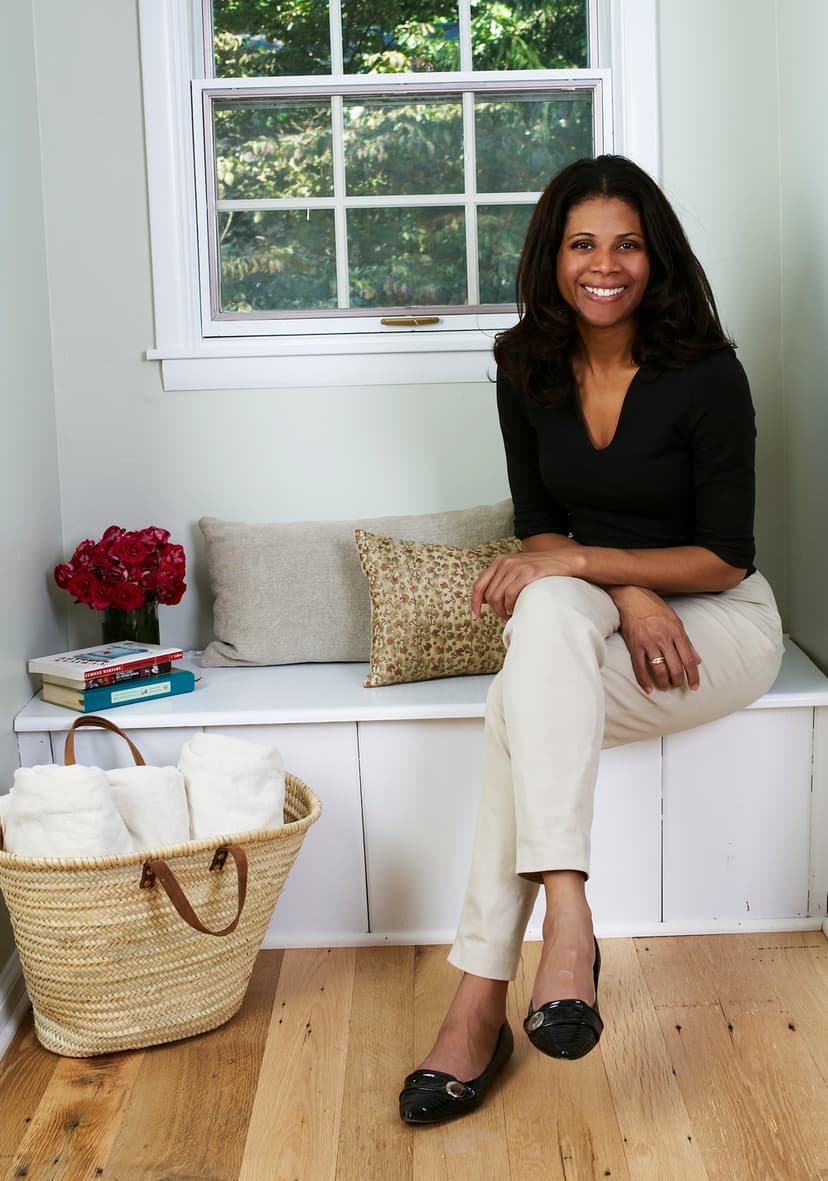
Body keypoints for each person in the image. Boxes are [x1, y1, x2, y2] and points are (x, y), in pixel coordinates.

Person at [398, 154, 784, 1125]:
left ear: (655, 260)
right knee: (548, 612)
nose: (603, 264)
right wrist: (617, 586)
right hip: (604, 613)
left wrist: (633, 585)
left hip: (720, 623)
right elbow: (539, 527)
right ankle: (568, 915)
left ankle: (478, 997)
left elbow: (729, 556)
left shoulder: (707, 372)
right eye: (582, 243)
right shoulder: (522, 364)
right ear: (552, 254)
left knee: (512, 703)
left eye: (626, 244)